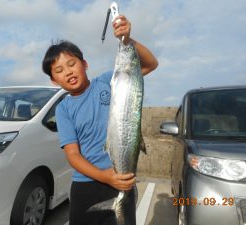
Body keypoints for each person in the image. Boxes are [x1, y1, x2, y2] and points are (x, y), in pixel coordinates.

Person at [42, 15, 158, 225]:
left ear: (84, 64)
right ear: (53, 80)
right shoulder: (64, 109)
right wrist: (105, 177)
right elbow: (73, 155)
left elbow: (150, 64)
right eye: (59, 70)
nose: (68, 72)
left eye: (72, 64)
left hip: (122, 180)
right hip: (86, 185)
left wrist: (127, 40)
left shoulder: (108, 81)